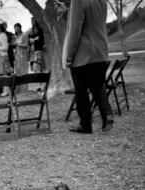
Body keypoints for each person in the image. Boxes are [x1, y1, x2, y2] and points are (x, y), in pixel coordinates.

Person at [57, 0, 114, 133]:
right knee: (97, 85)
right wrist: (67, 12)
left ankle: (85, 125)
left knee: (81, 92)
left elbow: (74, 30)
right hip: (100, 52)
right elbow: (90, 20)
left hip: (83, 53)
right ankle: (107, 115)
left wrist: (69, 55)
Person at [13, 22, 29, 91]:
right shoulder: (15, 36)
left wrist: (18, 44)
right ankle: (19, 89)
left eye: (17, 27)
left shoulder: (24, 35)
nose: (16, 28)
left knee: (23, 72)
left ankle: (24, 89)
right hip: (17, 56)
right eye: (15, 27)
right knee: (18, 71)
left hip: (23, 55)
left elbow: (26, 45)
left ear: (20, 27)